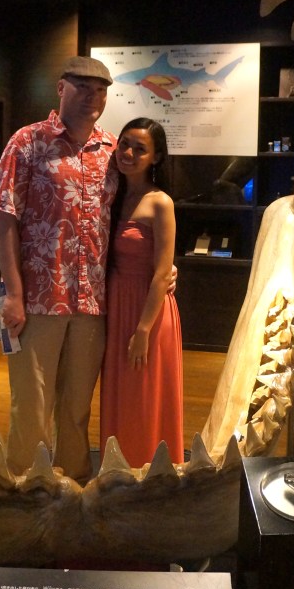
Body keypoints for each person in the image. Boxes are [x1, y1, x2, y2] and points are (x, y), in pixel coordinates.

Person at [0, 55, 118, 483]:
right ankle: (27, 489)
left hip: (91, 301)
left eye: (100, 90)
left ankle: (75, 488)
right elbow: (4, 217)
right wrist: (14, 295)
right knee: (32, 405)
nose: (92, 98)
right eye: (82, 87)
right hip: (38, 300)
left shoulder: (111, 151)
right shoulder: (27, 143)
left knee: (78, 406)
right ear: (61, 88)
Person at [100, 117, 184, 467]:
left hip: (147, 311)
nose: (129, 153)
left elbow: (163, 271)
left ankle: (150, 472)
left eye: (140, 149)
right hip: (117, 305)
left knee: (145, 396)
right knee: (120, 394)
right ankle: (117, 473)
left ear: (156, 157)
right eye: (125, 144)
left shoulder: (160, 202)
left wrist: (143, 330)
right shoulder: (112, 195)